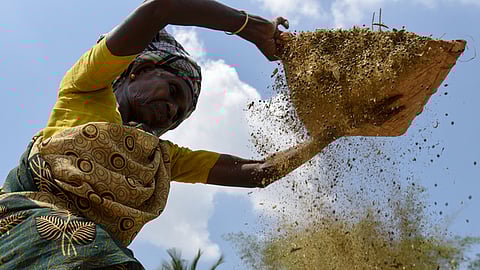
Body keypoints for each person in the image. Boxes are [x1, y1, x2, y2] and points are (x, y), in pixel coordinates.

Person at [0, 0, 403, 269]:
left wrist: (333, 131)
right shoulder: (85, 89)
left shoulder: (161, 157)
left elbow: (256, 172)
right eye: (173, 90)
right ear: (137, 71)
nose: (173, 110)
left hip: (95, 257)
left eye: (181, 113)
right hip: (25, 231)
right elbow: (162, 7)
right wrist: (250, 27)